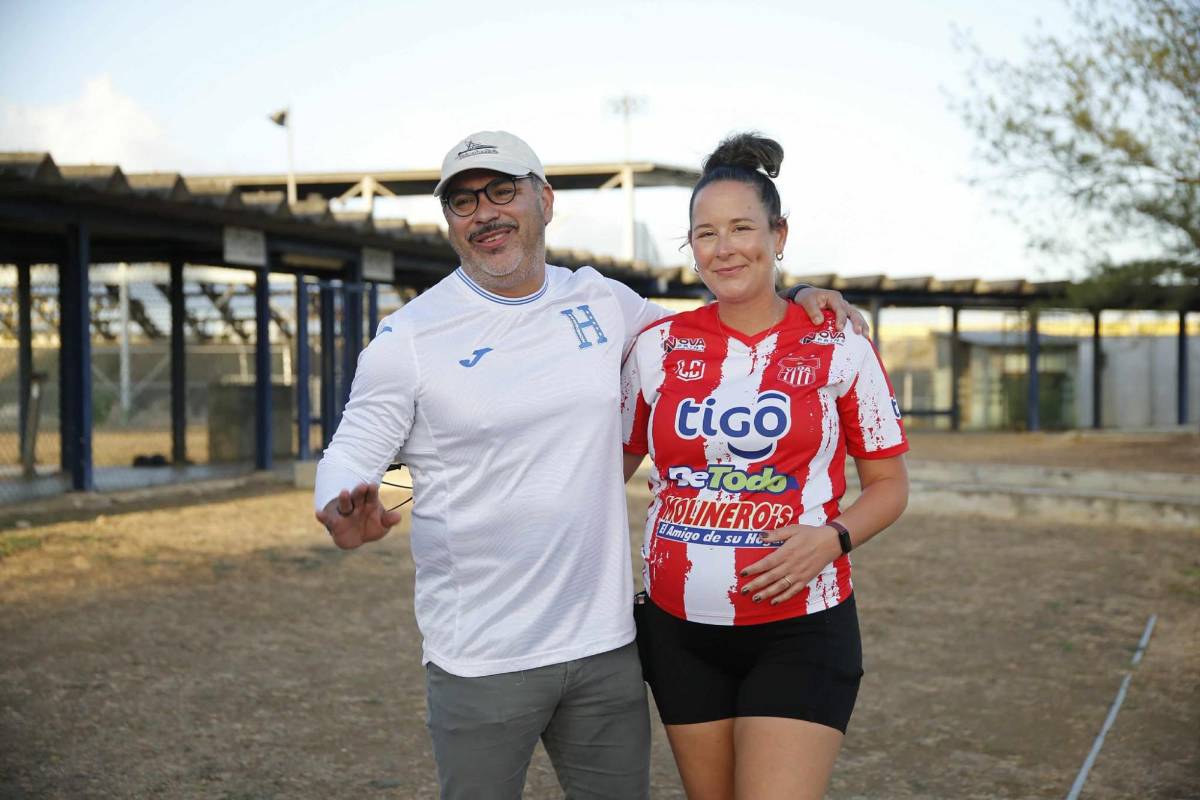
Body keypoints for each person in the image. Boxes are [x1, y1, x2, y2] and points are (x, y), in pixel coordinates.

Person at [313, 130, 865, 800]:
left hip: (606, 647)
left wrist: (800, 290)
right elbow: (370, 456)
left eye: (501, 190)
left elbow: (723, 324)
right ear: (450, 222)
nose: (484, 211)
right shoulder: (410, 339)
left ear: (544, 200)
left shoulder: (601, 301)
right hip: (483, 657)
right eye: (462, 201)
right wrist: (352, 502)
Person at [620, 133, 910, 800]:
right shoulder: (658, 347)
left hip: (800, 629)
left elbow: (891, 487)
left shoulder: (838, 342)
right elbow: (607, 468)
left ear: (779, 235)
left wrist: (832, 539)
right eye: (706, 233)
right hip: (678, 631)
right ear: (691, 248)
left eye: (743, 228)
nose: (725, 248)